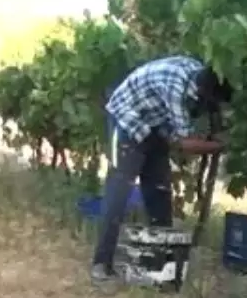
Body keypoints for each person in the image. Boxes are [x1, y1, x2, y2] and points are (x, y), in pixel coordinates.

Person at [90, 55, 232, 283]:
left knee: (159, 193)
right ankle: (101, 264)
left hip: (155, 125)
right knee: (119, 194)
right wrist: (222, 145)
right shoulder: (176, 90)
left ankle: (161, 267)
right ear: (201, 93)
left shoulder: (201, 77)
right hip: (127, 120)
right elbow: (184, 143)